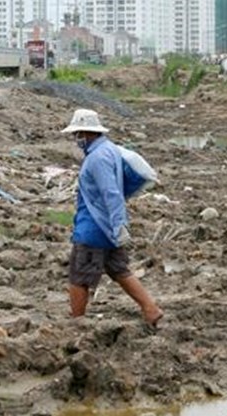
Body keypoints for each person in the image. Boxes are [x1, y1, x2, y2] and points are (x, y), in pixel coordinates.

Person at [61, 108, 163, 327]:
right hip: (107, 228)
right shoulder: (109, 150)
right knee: (119, 269)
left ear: (87, 133)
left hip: (93, 227)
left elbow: (111, 193)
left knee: (79, 276)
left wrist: (120, 224)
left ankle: (77, 322)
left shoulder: (97, 158)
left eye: (78, 134)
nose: (76, 139)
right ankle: (150, 308)